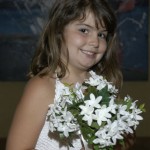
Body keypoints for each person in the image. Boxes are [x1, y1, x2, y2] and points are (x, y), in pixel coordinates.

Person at [6, 0, 134, 149]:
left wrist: (122, 136)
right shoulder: (43, 87)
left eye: (101, 34)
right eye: (84, 30)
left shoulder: (102, 87)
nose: (95, 42)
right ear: (59, 31)